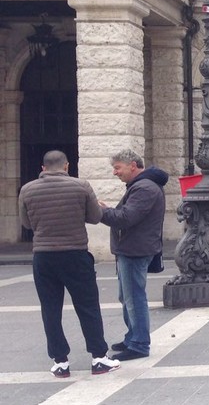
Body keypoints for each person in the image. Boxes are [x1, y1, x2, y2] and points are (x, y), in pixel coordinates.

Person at [18, 150, 120, 378]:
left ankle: (60, 361)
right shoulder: (81, 186)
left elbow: (26, 223)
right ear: (66, 166)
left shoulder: (27, 190)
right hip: (75, 254)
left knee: (50, 309)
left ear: (43, 168)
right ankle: (99, 358)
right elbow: (95, 217)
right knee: (87, 306)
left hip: (44, 256)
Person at [99, 149, 168, 361]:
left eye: (117, 168)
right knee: (127, 296)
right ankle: (132, 337)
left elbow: (126, 218)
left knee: (134, 298)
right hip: (132, 248)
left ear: (133, 165)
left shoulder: (144, 188)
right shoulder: (141, 185)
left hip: (135, 250)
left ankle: (139, 344)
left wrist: (101, 211)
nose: (115, 172)